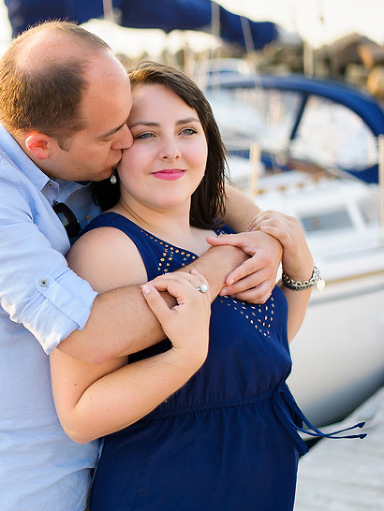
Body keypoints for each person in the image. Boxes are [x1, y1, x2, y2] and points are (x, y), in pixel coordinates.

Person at [0, 21, 284, 510]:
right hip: (7, 485)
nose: (128, 146)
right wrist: (228, 257)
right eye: (118, 135)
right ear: (39, 144)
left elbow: (190, 178)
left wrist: (265, 230)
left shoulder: (72, 155)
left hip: (100, 469)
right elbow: (85, 331)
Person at [49, 61, 351, 510]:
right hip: (171, 484)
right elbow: (80, 416)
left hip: (262, 478)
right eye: (146, 134)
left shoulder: (221, 233)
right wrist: (183, 358)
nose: (171, 150)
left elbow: (264, 349)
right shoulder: (110, 250)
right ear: (115, 150)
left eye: (187, 130)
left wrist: (300, 272)